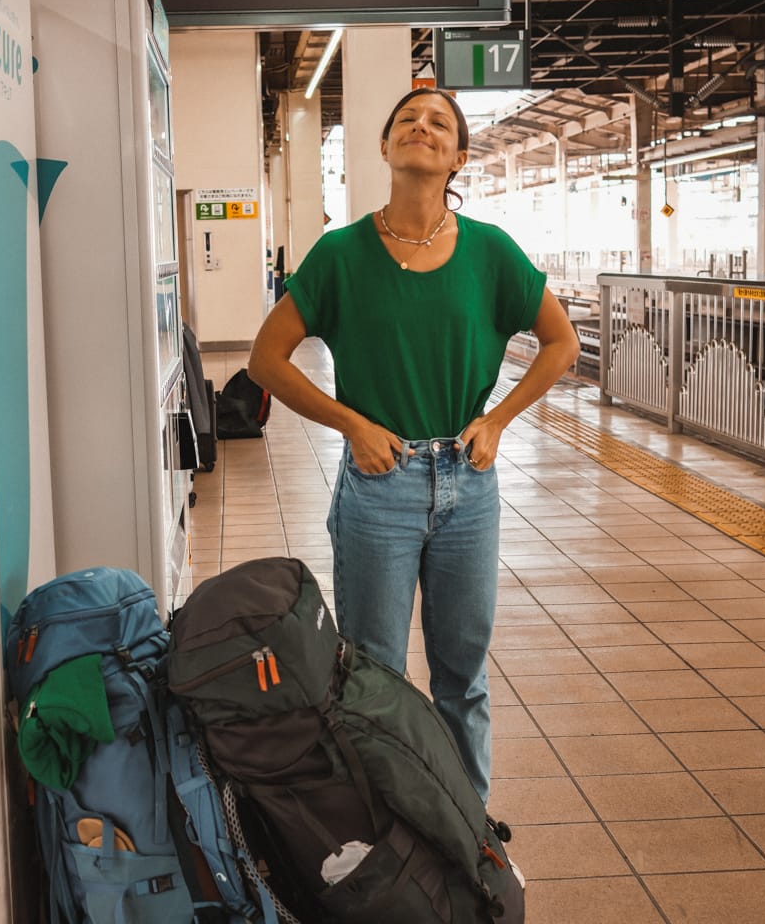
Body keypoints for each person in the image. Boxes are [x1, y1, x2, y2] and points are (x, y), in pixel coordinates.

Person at [247, 86, 579, 804]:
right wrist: (351, 424)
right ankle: (391, 828)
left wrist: (497, 420)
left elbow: (561, 342)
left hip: (469, 486)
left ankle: (469, 830)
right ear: (384, 147)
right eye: (406, 121)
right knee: (375, 674)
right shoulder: (341, 255)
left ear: (459, 156)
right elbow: (264, 360)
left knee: (463, 673)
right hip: (379, 488)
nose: (420, 128)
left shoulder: (492, 253)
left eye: (438, 125)